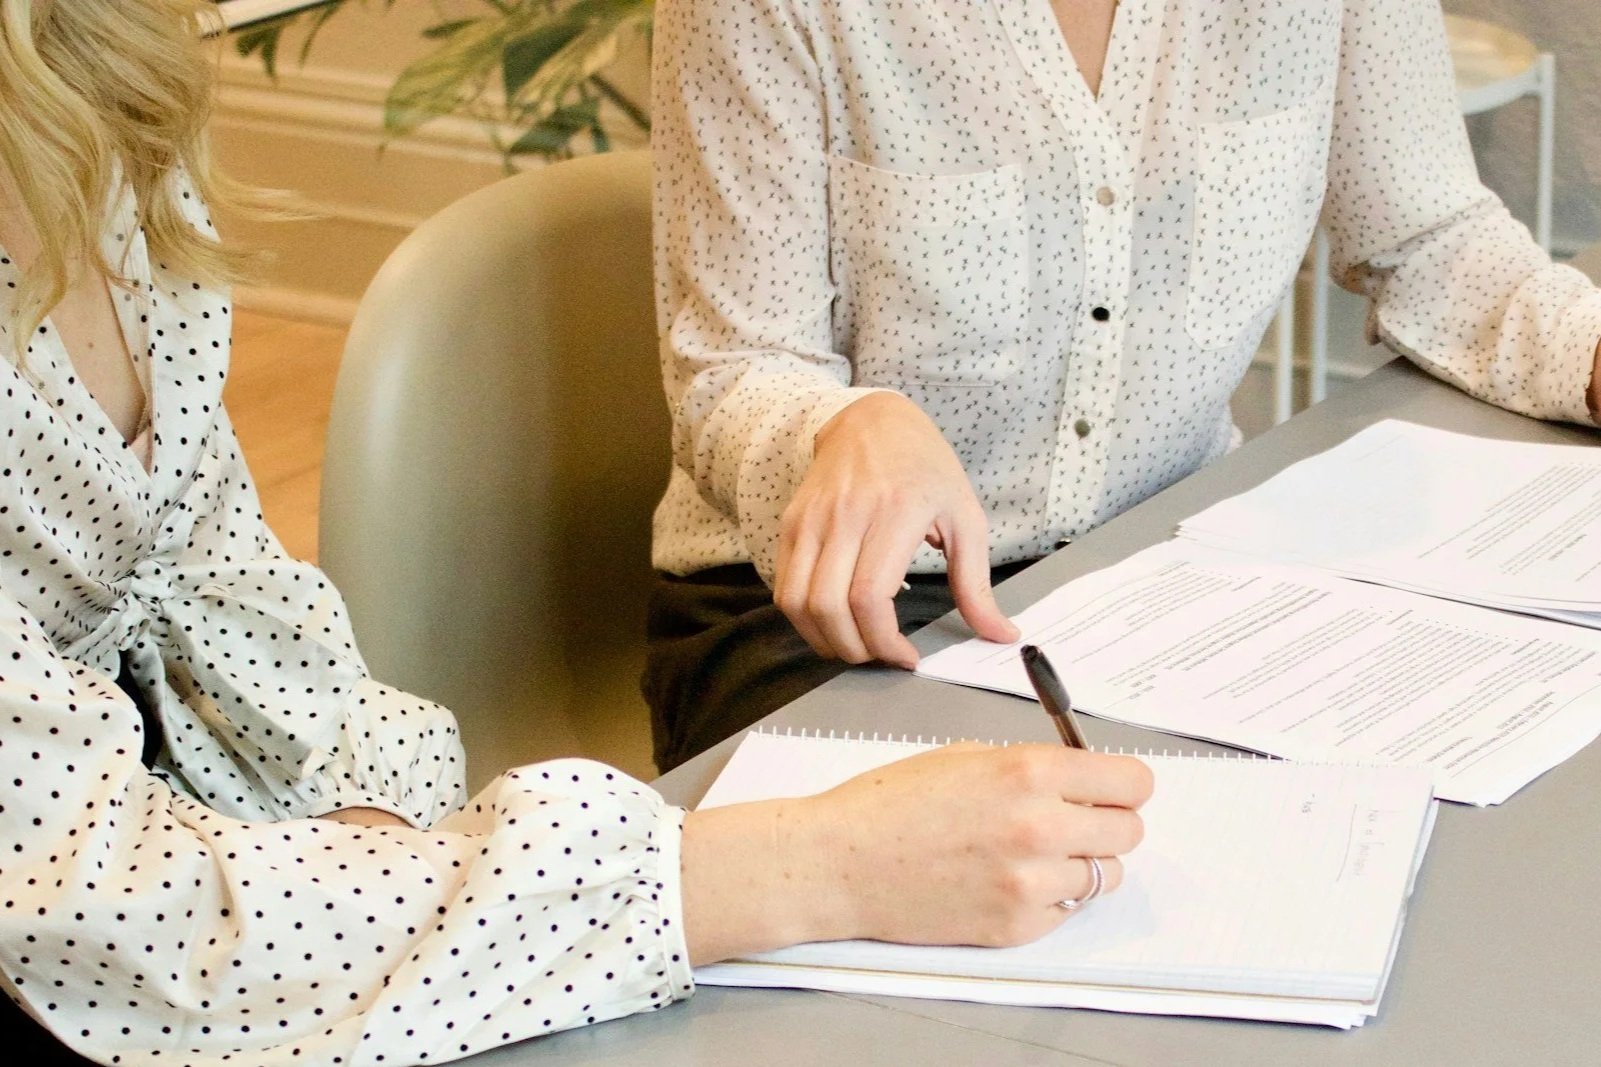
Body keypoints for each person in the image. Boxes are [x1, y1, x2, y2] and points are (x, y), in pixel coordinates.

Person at [0, 2, 1153, 1064]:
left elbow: (230, 599)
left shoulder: (91, 111)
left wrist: (374, 850)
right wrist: (818, 865)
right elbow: (117, 918)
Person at [645, 0, 1601, 771]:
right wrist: (845, 425)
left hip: (1165, 578)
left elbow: (1431, 241)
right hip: (833, 617)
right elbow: (733, 366)